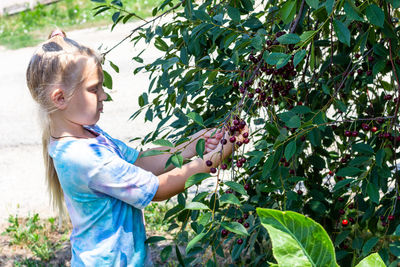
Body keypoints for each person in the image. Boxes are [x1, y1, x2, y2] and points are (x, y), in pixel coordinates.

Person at [26, 29, 245, 266]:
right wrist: (214, 158)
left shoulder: (89, 135)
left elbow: (140, 162)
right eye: (94, 89)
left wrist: (194, 144)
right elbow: (158, 190)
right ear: (60, 98)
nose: (104, 95)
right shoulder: (85, 158)